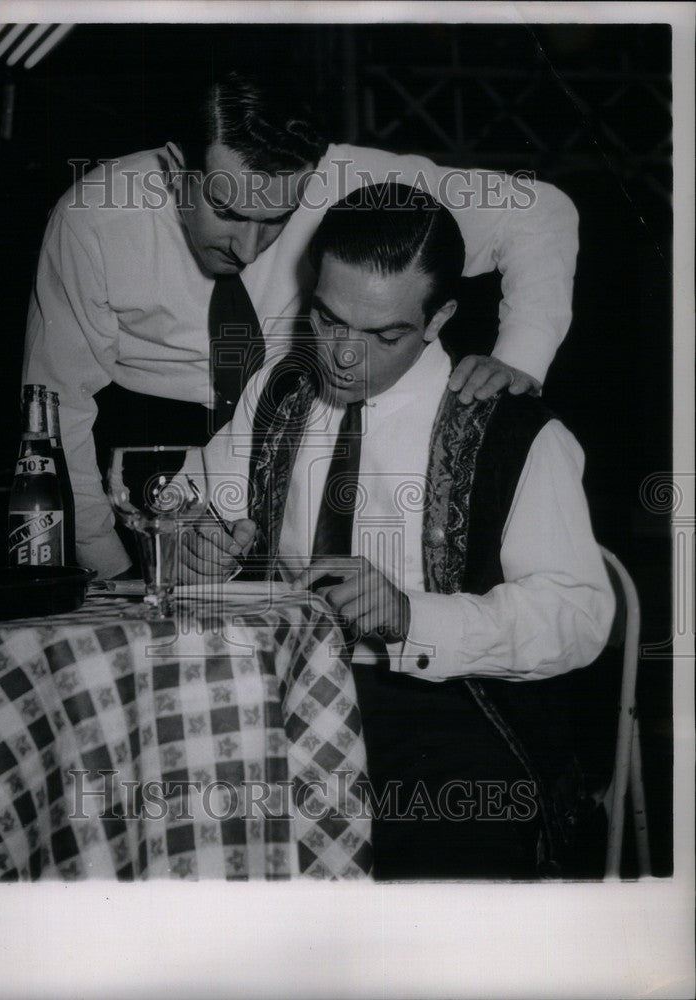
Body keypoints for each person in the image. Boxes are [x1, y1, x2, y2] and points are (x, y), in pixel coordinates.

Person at [186, 183, 614, 878]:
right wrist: (196, 542)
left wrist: (413, 616)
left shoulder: (511, 430)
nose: (343, 357)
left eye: (381, 335)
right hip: (275, 700)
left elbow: (578, 616)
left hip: (450, 716)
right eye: (327, 320)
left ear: (438, 315)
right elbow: (192, 508)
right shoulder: (277, 392)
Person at [22, 71, 579, 580]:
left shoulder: (350, 179)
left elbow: (538, 213)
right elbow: (56, 412)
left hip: (304, 444)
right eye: (229, 211)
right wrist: (112, 570)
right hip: (145, 474)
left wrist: (518, 361)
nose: (247, 248)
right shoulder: (93, 221)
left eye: (276, 221)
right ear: (175, 166)